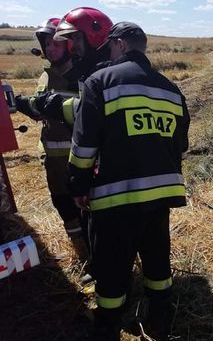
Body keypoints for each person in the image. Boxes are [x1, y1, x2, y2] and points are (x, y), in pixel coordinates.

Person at [68, 22, 190, 340]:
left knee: (111, 269)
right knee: (157, 262)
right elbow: (181, 144)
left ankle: (107, 327)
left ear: (120, 45)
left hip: (115, 198)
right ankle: (160, 320)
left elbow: (84, 147)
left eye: (110, 47)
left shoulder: (101, 82)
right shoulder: (171, 89)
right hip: (161, 197)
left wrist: (78, 187)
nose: (109, 53)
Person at [14, 18, 89, 261]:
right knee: (64, 208)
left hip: (79, 161)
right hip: (53, 161)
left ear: (69, 45)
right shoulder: (45, 77)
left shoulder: (84, 77)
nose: (50, 49)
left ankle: (97, 260)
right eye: (47, 44)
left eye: (56, 43)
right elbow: (39, 112)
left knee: (86, 212)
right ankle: (82, 257)